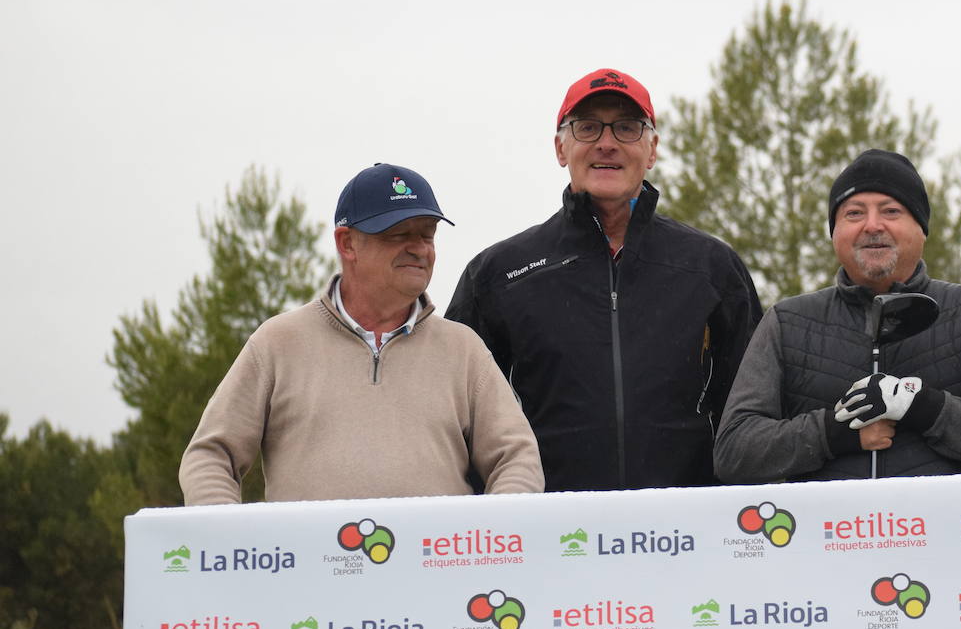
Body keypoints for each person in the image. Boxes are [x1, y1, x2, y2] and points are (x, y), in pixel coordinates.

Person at [447, 68, 762, 491]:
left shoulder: (711, 268)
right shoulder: (500, 274)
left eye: (628, 128)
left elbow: (750, 417)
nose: (607, 143)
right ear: (561, 148)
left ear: (652, 150)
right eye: (588, 127)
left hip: (686, 535)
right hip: (551, 535)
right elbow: (459, 425)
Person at [179, 163, 544, 504]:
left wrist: (494, 538)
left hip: (435, 569)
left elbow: (517, 459)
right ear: (347, 243)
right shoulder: (278, 342)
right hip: (306, 570)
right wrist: (225, 538)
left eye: (427, 235)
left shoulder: (463, 349)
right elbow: (211, 457)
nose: (419, 248)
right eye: (399, 234)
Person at [714, 149, 961, 482]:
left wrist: (924, 406)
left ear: (920, 228)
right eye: (854, 213)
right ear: (835, 232)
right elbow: (733, 452)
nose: (873, 226)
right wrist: (831, 433)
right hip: (827, 533)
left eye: (891, 211)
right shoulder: (787, 322)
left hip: (945, 532)